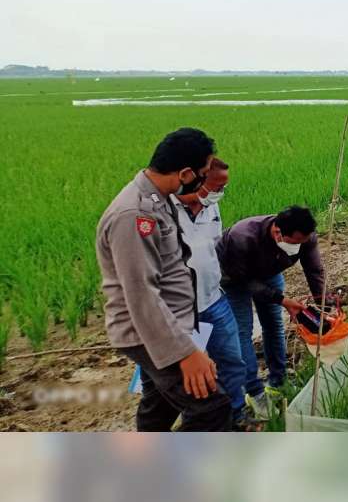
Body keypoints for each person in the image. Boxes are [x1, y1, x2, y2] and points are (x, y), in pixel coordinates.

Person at [96, 128, 231, 431]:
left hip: (170, 325)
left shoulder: (158, 199)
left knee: (160, 407)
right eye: (202, 174)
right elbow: (141, 294)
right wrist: (186, 353)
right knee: (212, 408)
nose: (203, 182)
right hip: (150, 332)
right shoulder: (134, 215)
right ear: (185, 173)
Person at [216, 206, 323, 418]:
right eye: (295, 242)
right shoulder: (242, 237)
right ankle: (254, 392)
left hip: (269, 272)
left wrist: (324, 304)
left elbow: (314, 270)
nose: (299, 246)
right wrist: (282, 300)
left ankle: (278, 380)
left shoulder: (306, 237)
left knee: (274, 324)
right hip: (234, 278)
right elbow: (244, 280)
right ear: (277, 233)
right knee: (242, 332)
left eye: (303, 241)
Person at [171, 157, 249, 429]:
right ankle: (195, 424)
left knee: (232, 361)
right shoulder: (164, 210)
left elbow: (215, 248)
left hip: (214, 299)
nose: (220, 192)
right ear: (198, 180)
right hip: (179, 311)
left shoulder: (212, 207)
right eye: (217, 186)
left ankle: (237, 414)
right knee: (189, 375)